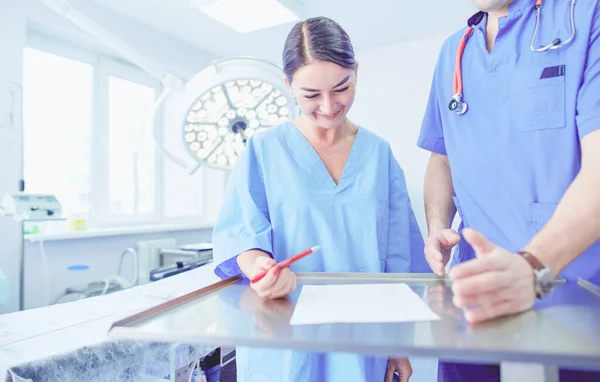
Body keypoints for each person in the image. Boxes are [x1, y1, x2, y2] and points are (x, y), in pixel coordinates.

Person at [212, 16, 429, 382]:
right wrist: (259, 268)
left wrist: (397, 343)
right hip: (285, 337)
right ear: (289, 85)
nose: (328, 106)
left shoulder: (378, 154)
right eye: (311, 94)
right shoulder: (263, 151)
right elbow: (241, 238)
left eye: (341, 88)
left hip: (364, 337)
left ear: (356, 73)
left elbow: (402, 259)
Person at [418, 0, 600, 381]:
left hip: (572, 296)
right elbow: (443, 157)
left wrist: (533, 266)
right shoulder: (455, 50)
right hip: (474, 296)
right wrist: (437, 225)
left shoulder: (586, 17)